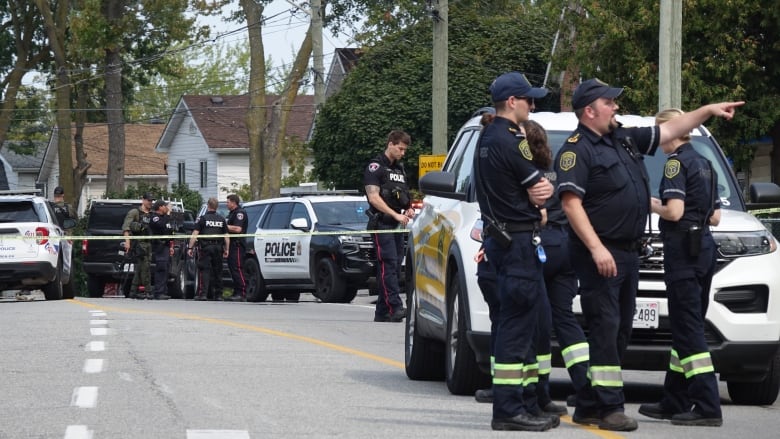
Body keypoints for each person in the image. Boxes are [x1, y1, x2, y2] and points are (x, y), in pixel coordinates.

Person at [554, 77, 743, 431]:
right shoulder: (575, 150)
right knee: (606, 327)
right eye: (610, 103)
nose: (616, 108)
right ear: (590, 110)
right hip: (602, 252)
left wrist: (707, 112)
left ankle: (590, 404)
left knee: (621, 329)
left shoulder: (623, 139)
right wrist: (596, 249)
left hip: (629, 253)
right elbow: (571, 203)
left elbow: (671, 128)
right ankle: (610, 407)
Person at [472, 117, 574, 420]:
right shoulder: (507, 150)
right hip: (515, 249)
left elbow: (541, 205)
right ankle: (513, 405)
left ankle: (529, 400)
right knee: (517, 328)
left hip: (517, 250)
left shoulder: (493, 146)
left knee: (525, 328)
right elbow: (539, 202)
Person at [474, 71, 555, 432]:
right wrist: (539, 195)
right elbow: (541, 188)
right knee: (516, 326)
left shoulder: (486, 137)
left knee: (519, 322)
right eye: (528, 99)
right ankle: (509, 410)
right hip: (518, 241)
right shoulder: (512, 140)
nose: (532, 105)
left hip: (502, 240)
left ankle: (522, 404)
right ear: (512, 102)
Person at [638, 108, 723, 427]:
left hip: (683, 253)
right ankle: (674, 398)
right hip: (703, 247)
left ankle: (707, 405)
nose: (659, 139)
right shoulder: (705, 162)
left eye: (661, 132)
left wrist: (648, 202)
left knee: (688, 329)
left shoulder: (676, 163)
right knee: (686, 326)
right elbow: (715, 217)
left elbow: (673, 212)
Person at [364, 130, 415, 323]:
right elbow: (374, 197)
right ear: (391, 144)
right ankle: (395, 306)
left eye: (405, 150)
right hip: (382, 223)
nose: (403, 153)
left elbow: (402, 196)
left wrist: (408, 209)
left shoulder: (399, 170)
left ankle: (382, 312)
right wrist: (394, 214)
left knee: (392, 266)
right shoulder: (375, 167)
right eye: (400, 149)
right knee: (389, 264)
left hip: (396, 225)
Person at [188, 197, 229, 301]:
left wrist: (190, 247)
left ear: (208, 206)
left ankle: (203, 294)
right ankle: (219, 294)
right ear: (217, 207)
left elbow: (195, 234)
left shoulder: (203, 219)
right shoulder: (221, 219)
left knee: (204, 270)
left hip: (206, 247)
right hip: (218, 248)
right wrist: (226, 249)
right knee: (218, 271)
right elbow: (227, 237)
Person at [123, 192, 154, 299]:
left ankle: (133, 291)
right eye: (149, 200)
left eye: (151, 200)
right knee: (145, 268)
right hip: (139, 244)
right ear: (143, 200)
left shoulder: (151, 214)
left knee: (142, 268)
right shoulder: (135, 212)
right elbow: (126, 228)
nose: (150, 202)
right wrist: (127, 242)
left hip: (149, 244)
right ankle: (148, 291)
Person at [148, 200, 173, 300]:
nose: (167, 208)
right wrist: (168, 215)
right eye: (165, 206)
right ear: (160, 207)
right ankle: (158, 292)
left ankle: (163, 291)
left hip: (166, 245)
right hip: (159, 246)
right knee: (161, 268)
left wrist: (171, 246)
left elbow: (169, 230)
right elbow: (161, 225)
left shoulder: (166, 218)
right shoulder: (155, 217)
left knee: (165, 269)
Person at [225, 194, 248, 302]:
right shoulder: (232, 213)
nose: (227, 204)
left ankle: (242, 292)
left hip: (238, 245)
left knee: (237, 268)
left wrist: (224, 226)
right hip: (232, 245)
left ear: (234, 202)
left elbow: (238, 229)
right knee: (232, 269)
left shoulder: (240, 213)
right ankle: (237, 291)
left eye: (228, 202)